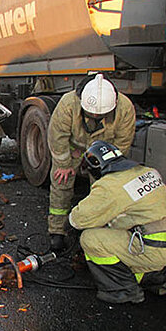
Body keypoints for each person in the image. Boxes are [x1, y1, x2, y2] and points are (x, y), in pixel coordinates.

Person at [69, 140, 166, 304]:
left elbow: (78, 220)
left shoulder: (111, 184)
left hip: (152, 248)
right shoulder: (147, 171)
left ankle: (124, 291)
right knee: (125, 267)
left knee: (90, 239)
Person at [47, 73, 136, 251]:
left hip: (104, 154)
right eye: (91, 113)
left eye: (100, 114)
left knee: (104, 189)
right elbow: (57, 137)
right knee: (61, 182)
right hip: (74, 149)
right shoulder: (68, 103)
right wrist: (64, 165)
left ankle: (97, 229)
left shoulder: (125, 108)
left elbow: (122, 144)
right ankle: (57, 230)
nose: (95, 116)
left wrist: (106, 170)